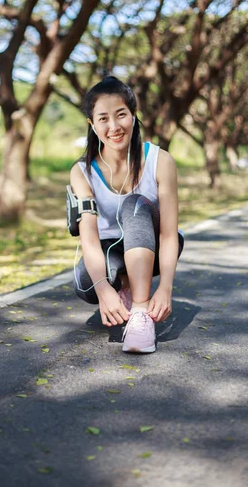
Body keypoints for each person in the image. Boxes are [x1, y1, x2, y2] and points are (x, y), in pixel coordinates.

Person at [69, 76, 184, 353]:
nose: (113, 126)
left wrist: (166, 288)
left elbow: (169, 234)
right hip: (111, 255)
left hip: (152, 246)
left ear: (133, 115)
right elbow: (90, 240)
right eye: (103, 118)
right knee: (85, 284)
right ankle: (125, 285)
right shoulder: (81, 171)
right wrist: (104, 290)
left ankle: (141, 314)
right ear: (92, 124)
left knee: (134, 205)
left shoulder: (160, 161)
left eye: (121, 115)